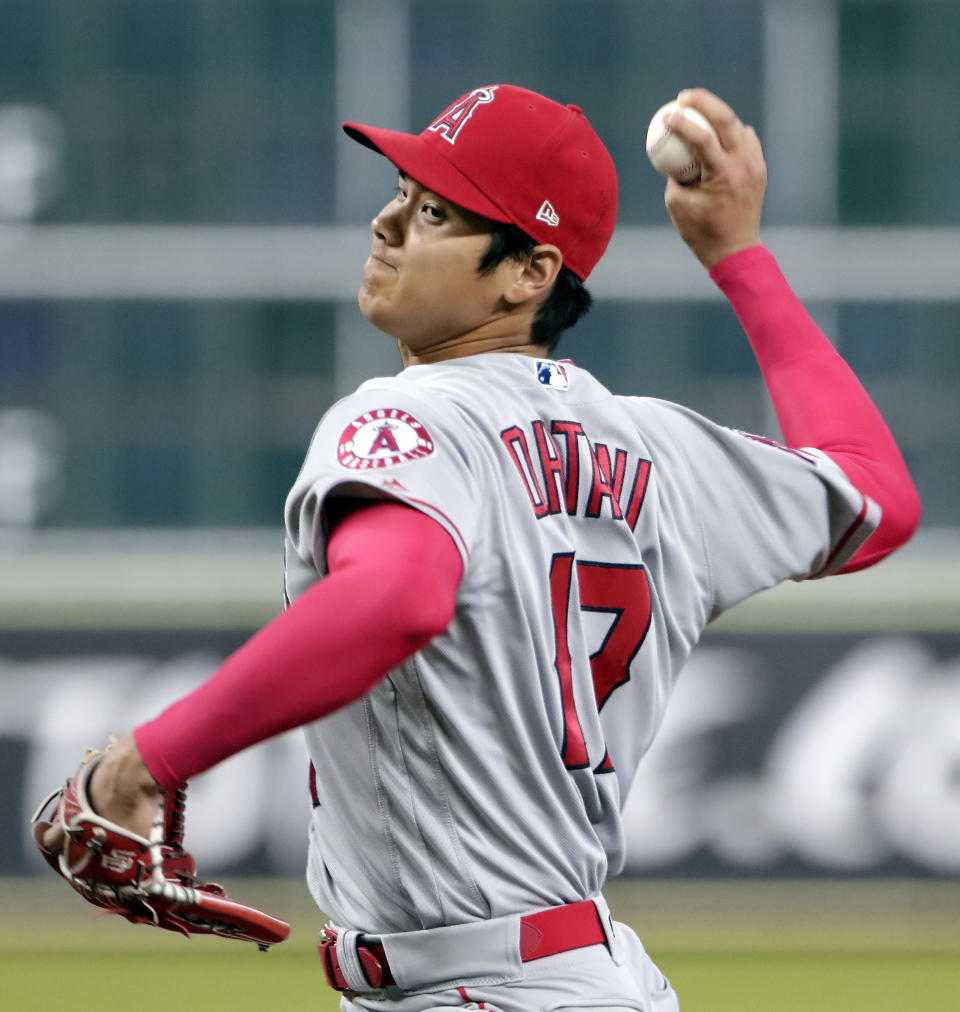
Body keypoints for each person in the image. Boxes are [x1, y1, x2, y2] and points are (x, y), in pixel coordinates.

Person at [42, 85, 920, 1011]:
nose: (385, 221)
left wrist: (145, 760)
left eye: (432, 211)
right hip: (570, 972)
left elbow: (397, 599)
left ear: (528, 273)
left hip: (480, 988)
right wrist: (739, 257)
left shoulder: (408, 414)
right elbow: (876, 496)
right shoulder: (662, 448)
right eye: (399, 193)